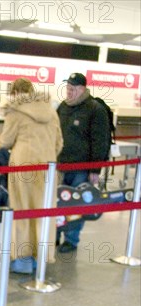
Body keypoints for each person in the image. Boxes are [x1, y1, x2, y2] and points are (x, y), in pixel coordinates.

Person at [0, 78, 63, 274]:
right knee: (44, 211)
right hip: (48, 167)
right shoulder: (51, 110)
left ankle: (23, 260)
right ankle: (40, 259)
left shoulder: (15, 111)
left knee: (21, 211)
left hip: (23, 166)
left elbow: (5, 142)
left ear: (15, 93)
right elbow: (59, 143)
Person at [56, 72, 110, 253]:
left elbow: (100, 141)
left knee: (75, 206)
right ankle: (53, 235)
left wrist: (95, 169)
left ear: (82, 89)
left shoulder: (95, 109)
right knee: (56, 203)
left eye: (72, 89)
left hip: (81, 168)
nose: (69, 92)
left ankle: (71, 240)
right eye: (67, 88)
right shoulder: (62, 107)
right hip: (60, 164)